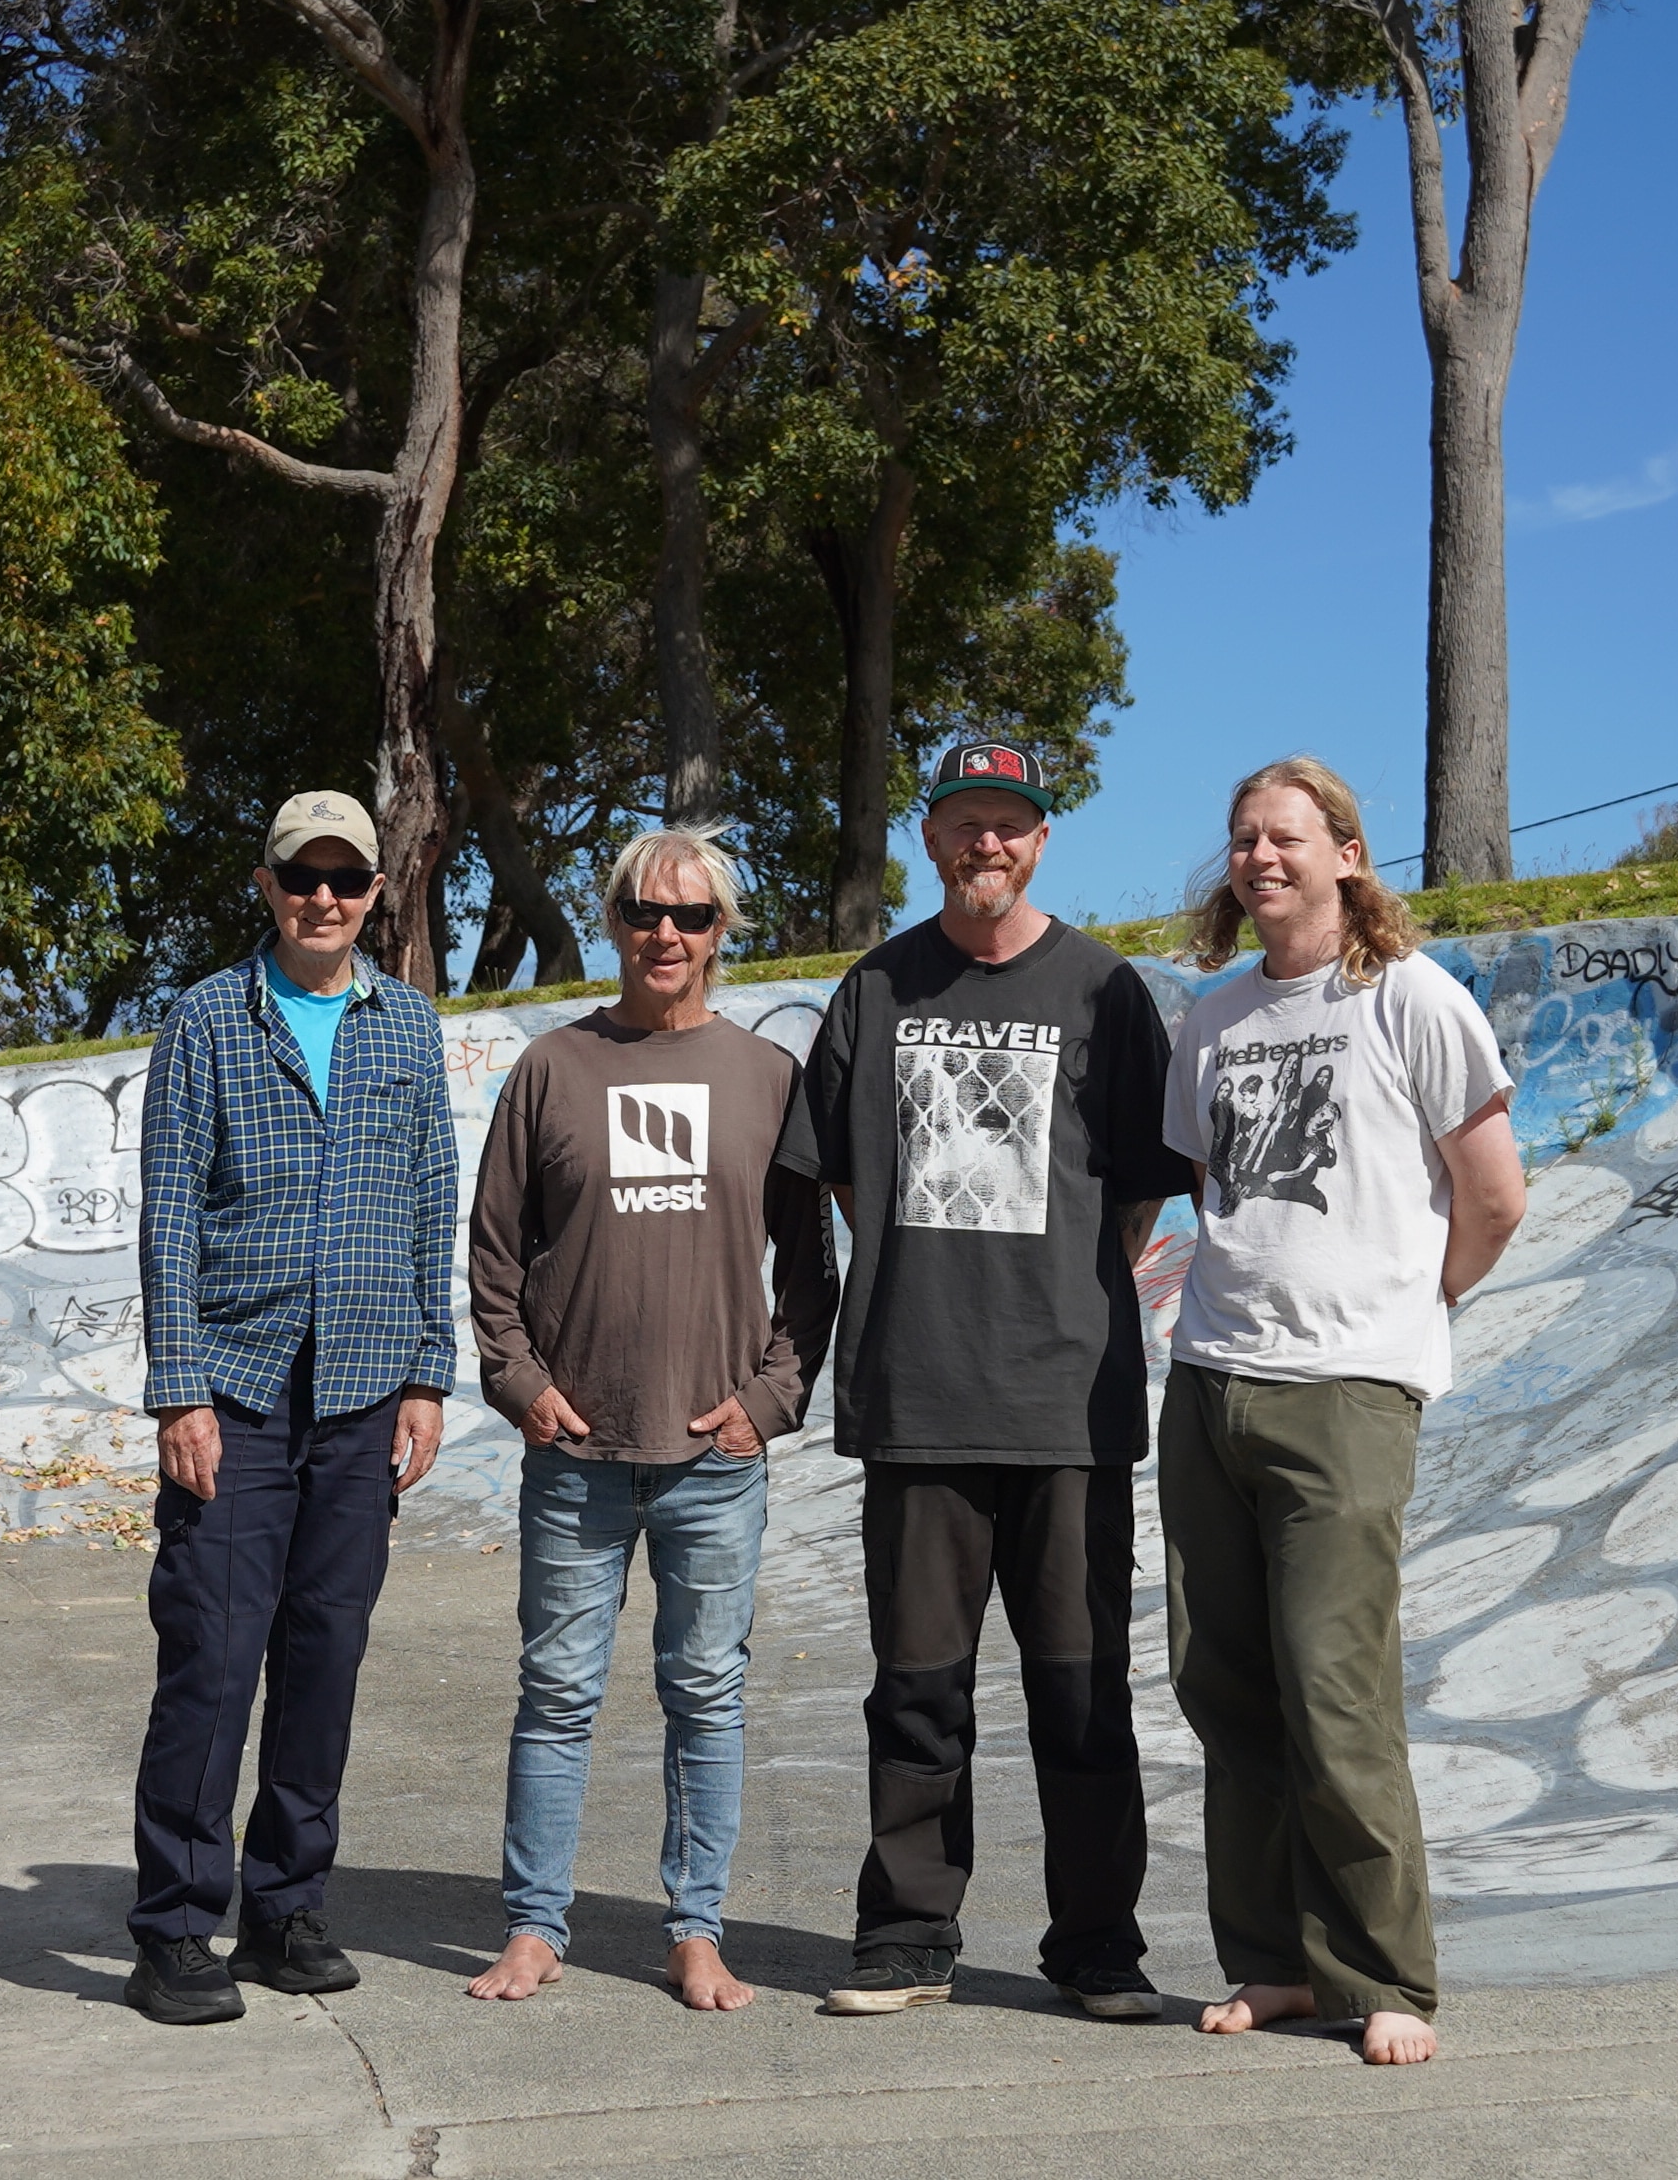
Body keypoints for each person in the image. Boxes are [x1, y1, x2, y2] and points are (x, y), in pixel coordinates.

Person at [774, 736, 1193, 2021]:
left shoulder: (1107, 990)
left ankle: (1097, 1949)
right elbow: (842, 1177)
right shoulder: (876, 989)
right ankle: (905, 1936)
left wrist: (1053, 1306)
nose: (986, 844)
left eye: (1010, 823)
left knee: (1082, 1691)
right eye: (965, 822)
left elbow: (1134, 1197)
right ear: (932, 835)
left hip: (1068, 1408)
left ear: (1041, 839)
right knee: (916, 1686)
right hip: (916, 1398)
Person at [1159, 755, 1523, 2068]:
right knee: (1226, 1685)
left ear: (1348, 856)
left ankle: (1381, 1972)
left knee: (1334, 1684)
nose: (1262, 857)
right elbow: (1218, 1193)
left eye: (1289, 838)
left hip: (1347, 1392)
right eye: (1246, 837)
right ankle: (1272, 1965)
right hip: (1210, 1381)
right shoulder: (1210, 1019)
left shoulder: (1413, 1001)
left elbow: (1493, 1197)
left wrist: (1406, 1316)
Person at [460, 828, 837, 2014]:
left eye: (691, 916)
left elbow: (811, 1269)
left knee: (705, 1694)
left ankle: (696, 1929)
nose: (663, 934)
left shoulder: (768, 1077)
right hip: (574, 1452)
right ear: (614, 917)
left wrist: (768, 1401)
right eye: (641, 910)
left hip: (712, 1459)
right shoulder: (552, 1069)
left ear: (724, 932)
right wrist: (522, 1385)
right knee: (558, 1692)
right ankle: (533, 1924)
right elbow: (492, 1257)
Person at [121, 790, 457, 2027]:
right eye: (301, 876)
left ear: (379, 890)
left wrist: (430, 1370)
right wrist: (179, 1388)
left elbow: (433, 1198)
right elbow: (170, 1212)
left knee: (325, 1657)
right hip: (240, 1393)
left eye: (347, 878)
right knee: (211, 1660)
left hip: (365, 1393)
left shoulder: (407, 1026)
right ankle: (173, 1925)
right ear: (266, 885)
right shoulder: (209, 1018)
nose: (325, 897)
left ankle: (285, 1905)